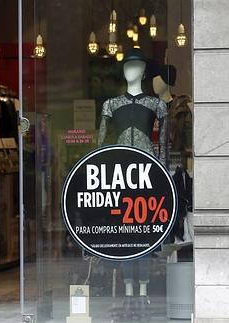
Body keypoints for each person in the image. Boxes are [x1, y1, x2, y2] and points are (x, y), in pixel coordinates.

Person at [98, 49, 167, 320]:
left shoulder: (156, 104)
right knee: (126, 233)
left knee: (145, 232)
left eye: (137, 65)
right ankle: (128, 289)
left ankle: (143, 288)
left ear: (144, 70)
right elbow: (101, 144)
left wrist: (162, 174)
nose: (131, 70)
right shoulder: (111, 104)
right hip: (119, 172)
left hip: (148, 171)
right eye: (128, 65)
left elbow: (162, 145)